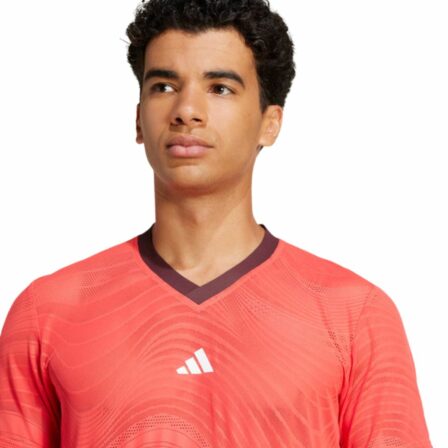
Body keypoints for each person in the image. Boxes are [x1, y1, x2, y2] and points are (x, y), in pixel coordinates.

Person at [0, 0, 433, 446]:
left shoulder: (354, 315)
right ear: (139, 119)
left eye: (220, 88)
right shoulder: (48, 312)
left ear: (270, 123)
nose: (187, 110)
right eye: (164, 86)